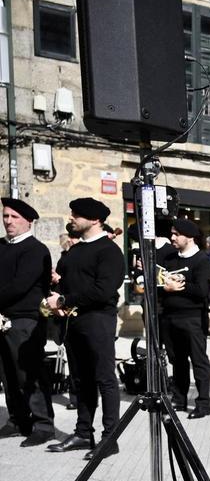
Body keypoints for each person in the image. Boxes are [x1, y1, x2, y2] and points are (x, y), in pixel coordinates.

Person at [45, 198, 125, 461]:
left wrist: (65, 300)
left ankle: (110, 438)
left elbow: (104, 290)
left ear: (94, 220)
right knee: (80, 380)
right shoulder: (74, 252)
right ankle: (82, 433)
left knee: (105, 378)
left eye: (77, 214)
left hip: (98, 320)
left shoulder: (109, 251)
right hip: (74, 322)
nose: (72, 218)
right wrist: (57, 300)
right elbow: (65, 285)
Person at [0, 197, 55, 446]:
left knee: (28, 373)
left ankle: (43, 424)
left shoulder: (35, 250)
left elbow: (19, 286)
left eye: (14, 217)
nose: (8, 221)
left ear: (28, 222)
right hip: (2, 317)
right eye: (5, 216)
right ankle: (17, 419)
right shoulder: (1, 245)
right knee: (7, 374)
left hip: (26, 320)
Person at [160, 218, 210, 418]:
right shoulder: (170, 259)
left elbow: (202, 291)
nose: (172, 237)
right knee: (178, 361)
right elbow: (158, 285)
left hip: (193, 319)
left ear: (189, 237)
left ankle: (203, 404)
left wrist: (178, 287)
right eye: (172, 233)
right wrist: (165, 288)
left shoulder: (202, 260)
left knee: (198, 361)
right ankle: (179, 400)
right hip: (170, 317)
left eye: (176, 234)